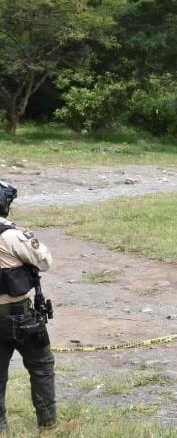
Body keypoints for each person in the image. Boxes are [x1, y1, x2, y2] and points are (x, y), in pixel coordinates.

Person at [0, 180, 56, 431]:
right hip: (20, 317)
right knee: (42, 367)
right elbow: (44, 261)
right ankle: (48, 425)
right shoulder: (13, 236)